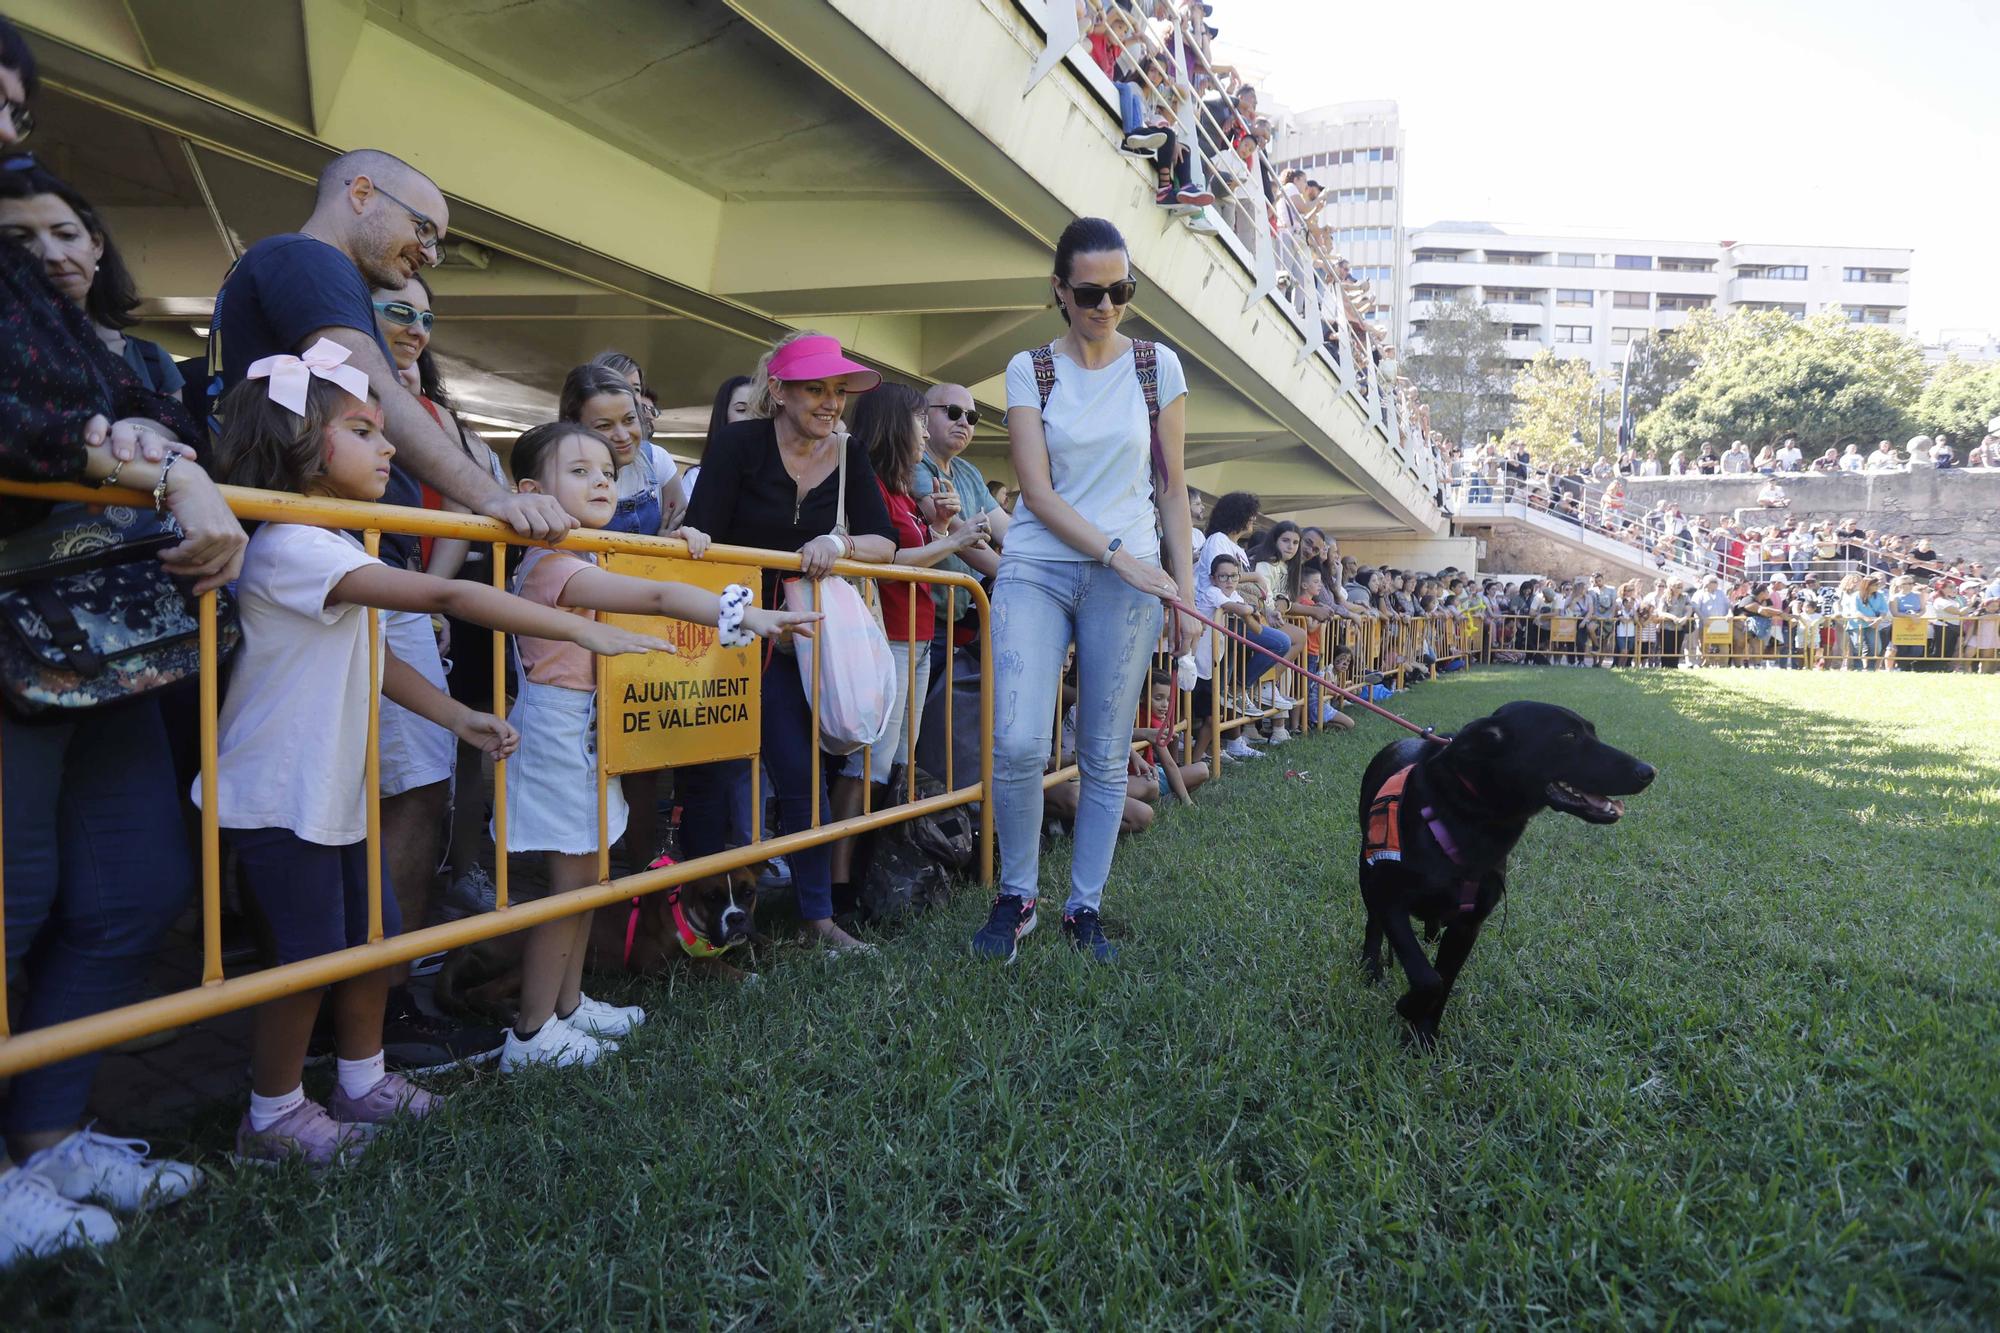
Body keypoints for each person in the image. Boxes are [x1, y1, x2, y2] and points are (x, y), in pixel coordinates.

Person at [197, 353, 674, 1166]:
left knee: (372, 937)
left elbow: (378, 661)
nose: (390, 450)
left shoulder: (332, 541)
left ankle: (361, 1078)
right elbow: (448, 596)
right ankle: (271, 1115)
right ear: (299, 444)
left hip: (330, 788)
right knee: (309, 955)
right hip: (280, 793)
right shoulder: (294, 545)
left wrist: (457, 714)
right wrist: (579, 628)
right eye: (362, 431)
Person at [0, 28, 245, 1263]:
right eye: (28, 233)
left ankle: (47, 1136)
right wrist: (145, 460)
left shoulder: (111, 345)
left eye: (68, 230)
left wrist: (166, 455)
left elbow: (163, 416)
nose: (54, 248)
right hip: (11, 646)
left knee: (137, 883)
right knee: (12, 900)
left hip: (105, 649)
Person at [495, 422, 817, 1069]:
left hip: (587, 736)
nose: (601, 482)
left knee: (589, 879)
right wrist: (742, 614)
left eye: (606, 472)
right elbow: (654, 593)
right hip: (561, 742)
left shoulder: (582, 554)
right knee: (568, 889)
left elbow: (649, 578)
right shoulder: (554, 565)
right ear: (531, 491)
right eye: (579, 471)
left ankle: (567, 1003)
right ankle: (530, 1035)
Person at [971, 217, 1195, 965]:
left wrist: (1183, 587)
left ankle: (1083, 907)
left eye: (1121, 290)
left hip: (1127, 579)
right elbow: (1033, 491)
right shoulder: (1028, 368)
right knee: (1020, 740)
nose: (1106, 306)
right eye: (1091, 292)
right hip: (1039, 565)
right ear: (1060, 292)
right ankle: (1018, 894)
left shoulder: (1157, 367)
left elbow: (1172, 490)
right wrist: (1118, 555)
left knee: (1103, 752)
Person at [680, 332, 896, 956]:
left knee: (801, 773)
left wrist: (842, 545)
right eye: (815, 389)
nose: (830, 403)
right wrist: (694, 539)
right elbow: (704, 529)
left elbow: (885, 541)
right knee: (711, 775)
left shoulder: (851, 456)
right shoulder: (739, 444)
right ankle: (702, 923)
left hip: (796, 636)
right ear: (778, 390)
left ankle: (817, 918)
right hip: (726, 623)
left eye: (837, 391)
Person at [827, 383, 984, 902]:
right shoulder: (870, 485)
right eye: (919, 423)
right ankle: (840, 880)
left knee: (894, 765)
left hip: (916, 639)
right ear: (897, 425)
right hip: (886, 639)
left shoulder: (899, 491)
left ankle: (876, 870)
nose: (924, 433)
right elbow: (888, 561)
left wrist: (938, 528)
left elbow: (914, 554)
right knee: (865, 765)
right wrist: (953, 540)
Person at [0, 159, 184, 398]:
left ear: (96, 244)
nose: (55, 255)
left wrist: (146, 430)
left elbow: (176, 430)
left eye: (66, 235)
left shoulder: (153, 363)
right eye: (21, 239)